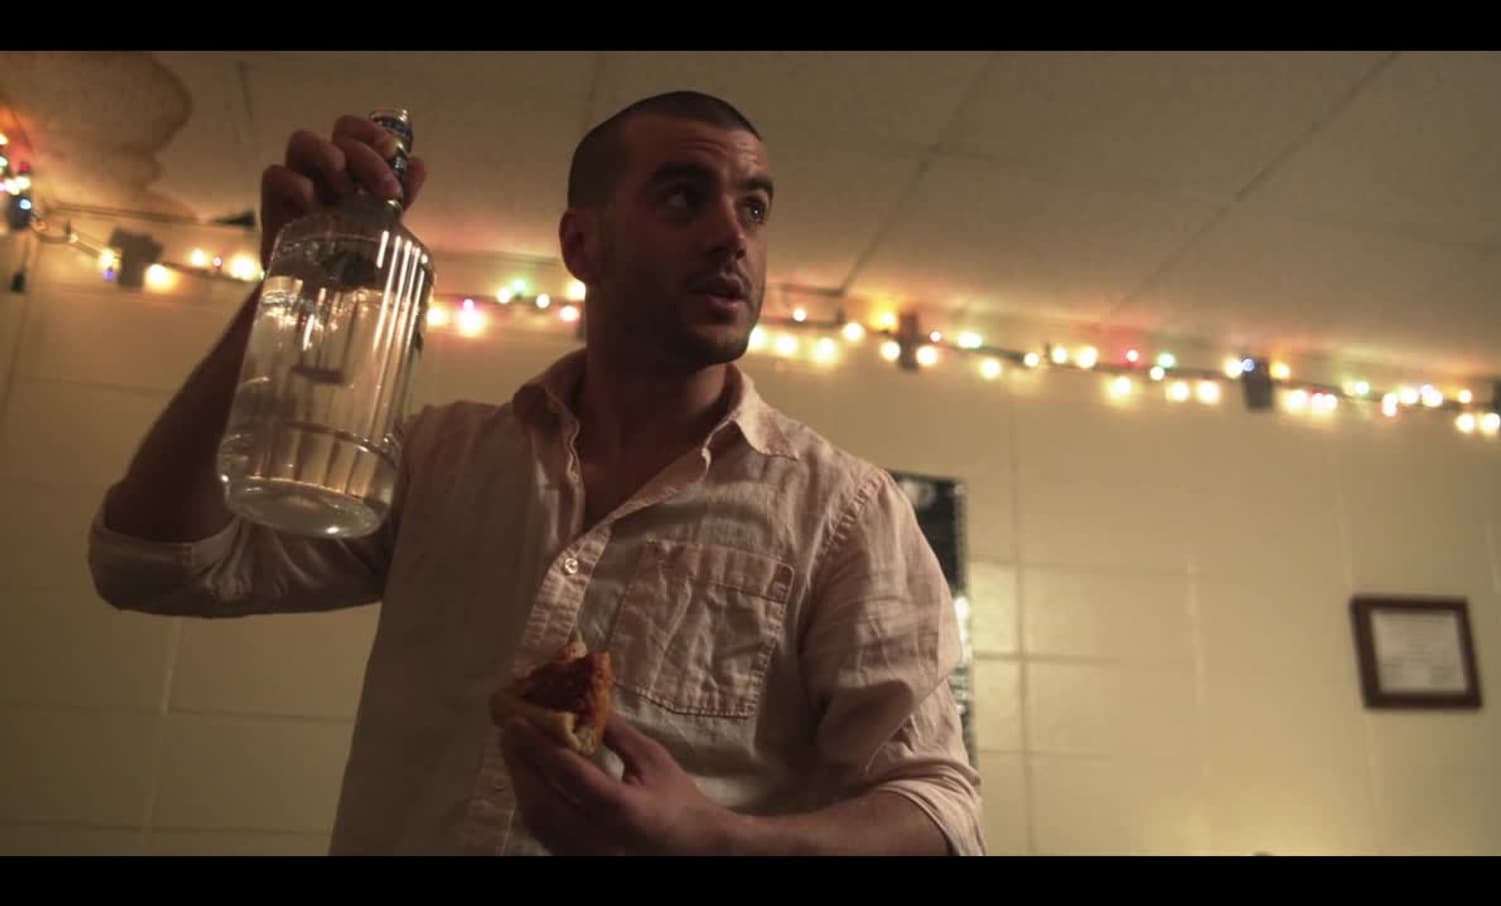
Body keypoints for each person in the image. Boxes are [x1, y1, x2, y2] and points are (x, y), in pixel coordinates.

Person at [87, 90, 984, 856]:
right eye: (684, 197)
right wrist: (289, 278)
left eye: (754, 208)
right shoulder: (439, 460)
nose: (731, 236)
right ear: (582, 245)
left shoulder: (844, 510)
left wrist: (717, 840)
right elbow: (154, 563)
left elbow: (940, 810)